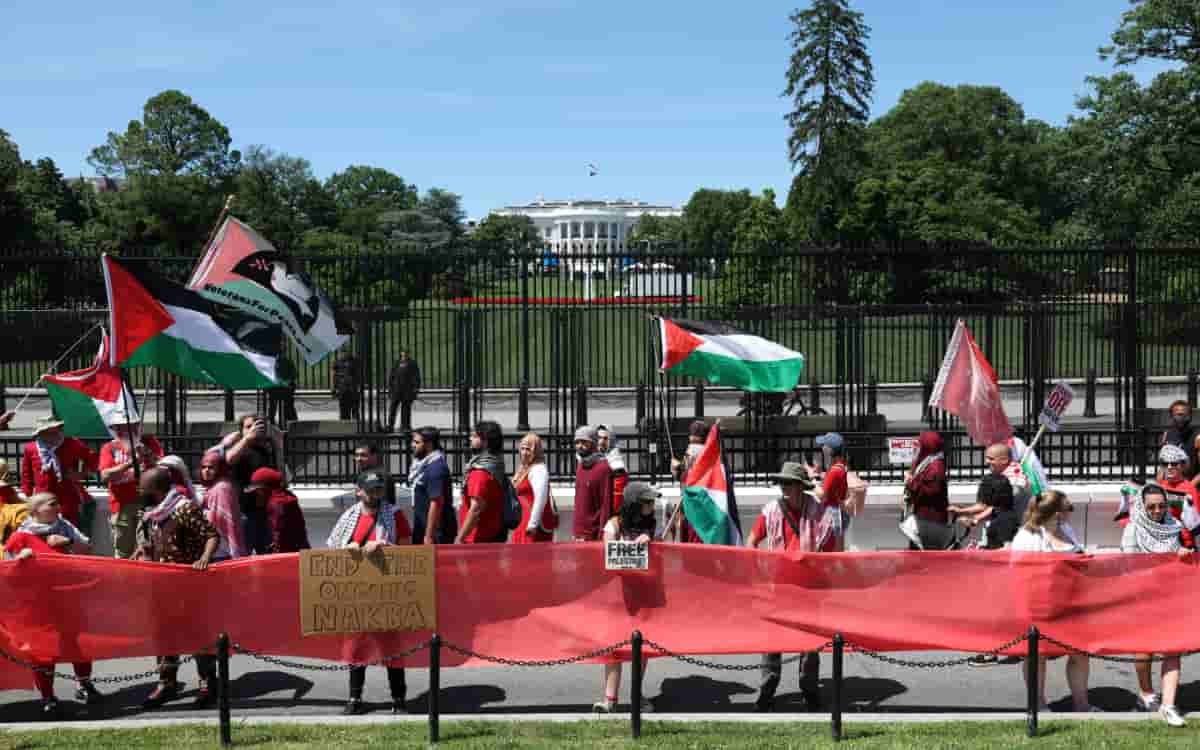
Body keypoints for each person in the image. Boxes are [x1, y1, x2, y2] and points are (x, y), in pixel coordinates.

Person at [747, 462, 841, 712]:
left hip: (809, 588)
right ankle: (767, 690)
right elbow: (752, 540)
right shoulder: (771, 511)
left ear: (801, 487)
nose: (784, 488)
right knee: (772, 642)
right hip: (777, 587)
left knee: (809, 644)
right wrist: (754, 566)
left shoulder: (820, 513)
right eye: (782, 483)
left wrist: (819, 568)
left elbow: (832, 550)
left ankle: (810, 691)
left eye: (788, 483)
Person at [4, 492, 101, 713]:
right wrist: (22, 560)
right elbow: (8, 573)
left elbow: (87, 549)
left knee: (79, 642)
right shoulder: (20, 537)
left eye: (58, 502)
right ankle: (48, 697)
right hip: (38, 604)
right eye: (53, 503)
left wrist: (67, 541)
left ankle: (84, 684)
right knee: (44, 649)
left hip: (69, 597)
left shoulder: (65, 526)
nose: (59, 506)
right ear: (36, 510)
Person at [327, 470, 413, 715]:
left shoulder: (395, 516)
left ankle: (399, 699)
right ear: (359, 491)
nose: (376, 493)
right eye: (371, 489)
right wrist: (349, 548)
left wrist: (385, 546)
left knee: (392, 647)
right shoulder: (348, 517)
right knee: (357, 645)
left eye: (379, 489)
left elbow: (408, 553)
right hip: (356, 592)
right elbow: (331, 550)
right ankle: (354, 698)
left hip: (387, 591)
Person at [134, 468, 220, 709]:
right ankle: (167, 684)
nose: (141, 493)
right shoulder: (151, 513)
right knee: (164, 635)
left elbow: (212, 535)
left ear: (157, 490)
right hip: (161, 584)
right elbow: (149, 545)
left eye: (144, 489)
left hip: (189, 583)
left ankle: (207, 684)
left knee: (197, 634)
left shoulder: (184, 508)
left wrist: (204, 557)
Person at [1011, 489, 1095, 712]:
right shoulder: (1027, 537)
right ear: (1057, 513)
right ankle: (1038, 704)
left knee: (1079, 653)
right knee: (1037, 654)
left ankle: (1082, 704)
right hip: (1039, 604)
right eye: (1069, 508)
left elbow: (1077, 558)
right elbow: (1018, 573)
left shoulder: (1066, 530)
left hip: (1072, 602)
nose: (1071, 512)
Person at [1120, 483, 1193, 727]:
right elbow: (1128, 565)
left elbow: (1187, 554)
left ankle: (1169, 704)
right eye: (1151, 506)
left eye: (1161, 506)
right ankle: (1146, 693)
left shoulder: (1174, 526)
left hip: (1172, 596)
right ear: (1142, 506)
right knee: (1145, 650)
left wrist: (1184, 554)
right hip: (1142, 597)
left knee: (1173, 649)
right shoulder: (1133, 529)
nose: (1157, 511)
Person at [593, 481, 660, 714]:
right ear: (634, 504)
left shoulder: (651, 526)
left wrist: (652, 545)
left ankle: (636, 695)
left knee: (641, 648)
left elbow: (660, 560)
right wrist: (635, 549)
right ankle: (609, 699)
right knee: (614, 648)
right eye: (647, 502)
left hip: (643, 596)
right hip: (617, 596)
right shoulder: (614, 526)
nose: (652, 506)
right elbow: (608, 560)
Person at [99, 414, 162, 558]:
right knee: (123, 550)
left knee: (148, 546)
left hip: (147, 503)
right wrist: (129, 464)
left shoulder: (148, 442)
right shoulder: (110, 447)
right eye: (120, 427)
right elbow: (105, 475)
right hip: (122, 505)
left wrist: (148, 455)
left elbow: (161, 465)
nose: (126, 430)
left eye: (131, 425)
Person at [221, 414, 285, 554]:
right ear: (242, 431)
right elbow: (229, 459)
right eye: (249, 427)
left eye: (258, 426)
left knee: (270, 557)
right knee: (242, 556)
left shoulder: (267, 449)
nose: (254, 430)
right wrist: (247, 438)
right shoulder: (239, 448)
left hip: (266, 514)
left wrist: (279, 445)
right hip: (244, 513)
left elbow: (281, 477)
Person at [20, 416, 98, 530]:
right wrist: (28, 497)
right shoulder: (31, 448)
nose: (53, 434)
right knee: (45, 532)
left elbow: (93, 459)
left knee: (70, 532)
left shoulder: (72, 443)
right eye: (48, 431)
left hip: (68, 498)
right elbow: (26, 474)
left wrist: (80, 474)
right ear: (41, 433)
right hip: (43, 500)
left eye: (55, 429)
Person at [456, 420, 507, 544]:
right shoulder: (495, 464)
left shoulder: (480, 473)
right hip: (493, 533)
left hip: (478, 538)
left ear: (485, 442)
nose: (470, 439)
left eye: (474, 436)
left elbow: (475, 510)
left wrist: (459, 539)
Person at [899, 431, 949, 550]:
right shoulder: (927, 461)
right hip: (922, 515)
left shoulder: (936, 465)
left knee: (926, 550)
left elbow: (931, 489)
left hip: (930, 518)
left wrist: (911, 482)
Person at [245, 467, 310, 553]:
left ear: (264, 489)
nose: (257, 495)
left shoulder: (276, 504)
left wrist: (274, 554)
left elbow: (279, 536)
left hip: (288, 556)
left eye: (257, 491)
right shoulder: (286, 497)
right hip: (300, 551)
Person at [409, 426, 456, 545]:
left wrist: (429, 536)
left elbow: (436, 503)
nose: (412, 445)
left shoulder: (435, 468)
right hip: (424, 528)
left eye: (417, 442)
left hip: (436, 534)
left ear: (429, 444)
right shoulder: (423, 465)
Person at [198, 448, 246, 560]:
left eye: (211, 467)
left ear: (220, 469)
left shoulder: (222, 488)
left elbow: (223, 520)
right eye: (203, 467)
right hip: (214, 548)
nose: (206, 471)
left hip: (223, 550)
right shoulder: (212, 487)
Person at [511, 433, 553, 544]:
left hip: (532, 524)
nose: (524, 453)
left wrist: (532, 524)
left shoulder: (538, 469)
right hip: (521, 520)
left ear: (536, 451)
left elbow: (540, 498)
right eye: (522, 448)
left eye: (528, 449)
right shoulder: (524, 468)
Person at [572, 425, 612, 542]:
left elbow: (605, 505)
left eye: (584, 442)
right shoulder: (580, 465)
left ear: (594, 443)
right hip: (578, 532)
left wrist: (602, 534)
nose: (580, 446)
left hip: (593, 535)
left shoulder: (603, 468)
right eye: (577, 442)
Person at [1156, 444, 1200, 532]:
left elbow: (1195, 524)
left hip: (1182, 539)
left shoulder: (1190, 490)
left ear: (1183, 466)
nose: (1169, 467)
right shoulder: (1160, 487)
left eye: (1174, 464)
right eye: (1165, 464)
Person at [597, 424, 628, 516]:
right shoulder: (593, 458)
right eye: (599, 437)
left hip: (609, 514)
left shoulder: (616, 465)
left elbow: (618, 495)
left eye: (605, 438)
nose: (601, 441)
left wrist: (613, 516)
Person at [387, 350, 421, 432]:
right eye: (402, 353)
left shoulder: (412, 363)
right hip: (396, 390)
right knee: (393, 409)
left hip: (407, 391)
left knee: (405, 409)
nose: (404, 355)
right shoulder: (396, 363)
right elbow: (391, 377)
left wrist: (415, 389)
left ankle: (405, 426)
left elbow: (416, 377)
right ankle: (390, 426)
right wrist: (390, 389)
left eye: (405, 354)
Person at [1160, 400, 1196, 476]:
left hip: (1190, 483)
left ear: (1190, 416)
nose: (1181, 416)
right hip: (1171, 483)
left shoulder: (1197, 437)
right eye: (1178, 414)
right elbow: (1163, 465)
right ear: (1171, 416)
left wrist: (1189, 486)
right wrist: (1160, 484)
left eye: (1184, 414)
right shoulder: (1167, 435)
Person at [353, 442, 395, 507]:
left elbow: (377, 503)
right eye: (356, 455)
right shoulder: (364, 475)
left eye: (363, 455)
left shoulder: (378, 475)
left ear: (374, 456)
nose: (359, 459)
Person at [266, 354, 299, 427]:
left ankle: (286, 421)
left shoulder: (284, 361)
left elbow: (293, 374)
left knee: (278, 405)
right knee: (285, 405)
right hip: (280, 387)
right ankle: (289, 421)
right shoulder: (286, 361)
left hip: (280, 387)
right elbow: (294, 374)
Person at [332, 351, 361, 421]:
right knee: (345, 411)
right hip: (346, 389)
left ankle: (351, 424)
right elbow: (334, 375)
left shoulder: (354, 361)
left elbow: (334, 375)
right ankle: (348, 423)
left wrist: (334, 388)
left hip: (350, 389)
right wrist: (334, 388)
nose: (342, 355)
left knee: (352, 411)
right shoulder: (338, 362)